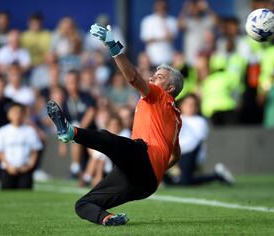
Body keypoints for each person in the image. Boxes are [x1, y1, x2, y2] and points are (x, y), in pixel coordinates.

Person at [47, 23, 183, 226]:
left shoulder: (160, 96)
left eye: (160, 76)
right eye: (154, 73)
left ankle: (70, 132)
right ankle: (108, 218)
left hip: (143, 157)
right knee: (83, 204)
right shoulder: (176, 118)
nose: (153, 76)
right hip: (147, 184)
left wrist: (112, 45)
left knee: (108, 138)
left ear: (170, 88)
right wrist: (160, 169)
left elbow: (132, 77)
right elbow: (176, 154)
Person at [164, 94, 234, 186]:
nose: (190, 107)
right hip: (175, 154)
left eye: (193, 105)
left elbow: (194, 143)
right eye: (187, 104)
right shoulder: (177, 117)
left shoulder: (200, 121)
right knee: (174, 181)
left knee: (185, 181)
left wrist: (176, 155)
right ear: (181, 105)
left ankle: (217, 175)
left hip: (189, 155)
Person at [0, 102, 43, 189]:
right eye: (14, 112)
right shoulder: (3, 131)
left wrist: (29, 166)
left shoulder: (30, 131)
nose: (17, 115)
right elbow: (0, 151)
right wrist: (8, 166)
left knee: (25, 190)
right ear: (8, 115)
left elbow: (35, 150)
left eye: (19, 112)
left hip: (25, 169)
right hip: (8, 169)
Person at [140, 0, 178, 66]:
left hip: (169, 59)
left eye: (164, 7)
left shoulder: (172, 20)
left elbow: (172, 37)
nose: (161, 9)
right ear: (155, 7)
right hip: (152, 60)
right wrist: (163, 38)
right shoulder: (148, 20)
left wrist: (164, 23)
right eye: (159, 6)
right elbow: (146, 39)